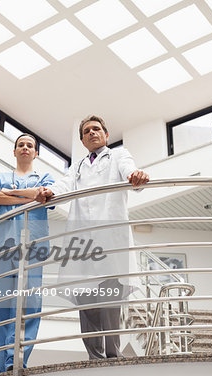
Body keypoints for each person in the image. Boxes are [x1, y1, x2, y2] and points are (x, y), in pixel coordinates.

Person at [39, 115, 149, 360]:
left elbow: (130, 171)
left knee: (110, 297)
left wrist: (136, 177)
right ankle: (94, 356)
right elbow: (64, 185)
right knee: (85, 299)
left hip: (110, 238)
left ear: (106, 135)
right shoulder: (77, 166)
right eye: (87, 131)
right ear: (82, 139)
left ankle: (112, 354)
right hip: (82, 241)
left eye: (96, 129)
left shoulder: (119, 155)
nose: (92, 133)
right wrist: (50, 192)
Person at [0, 133, 54, 373]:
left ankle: (17, 360)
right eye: (21, 145)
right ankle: (4, 365)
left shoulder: (45, 177)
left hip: (32, 246)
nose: (25, 148)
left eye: (30, 146)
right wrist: (30, 195)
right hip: (2, 246)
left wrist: (12, 196)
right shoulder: (0, 176)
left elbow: (46, 196)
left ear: (35, 153)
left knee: (29, 304)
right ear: (14, 152)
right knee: (3, 306)